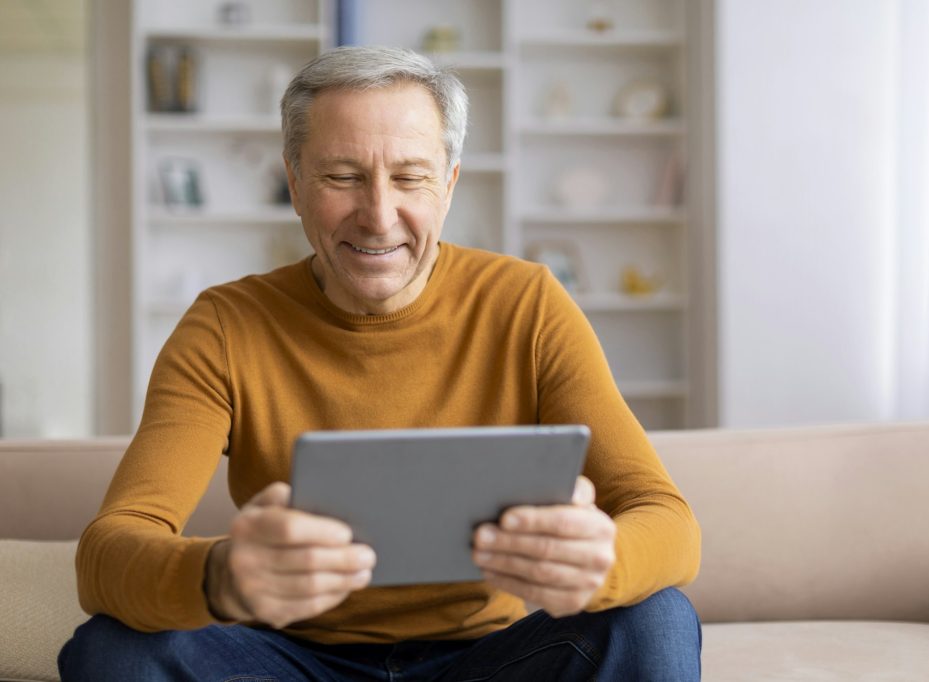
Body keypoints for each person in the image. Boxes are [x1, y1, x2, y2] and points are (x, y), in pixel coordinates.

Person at [59, 46, 702, 681]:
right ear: (296, 183)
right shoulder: (225, 325)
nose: (378, 214)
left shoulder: (527, 304)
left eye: (410, 176)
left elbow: (667, 519)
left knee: (656, 617)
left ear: (448, 184)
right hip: (286, 662)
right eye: (342, 176)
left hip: (486, 660)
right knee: (114, 650)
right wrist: (222, 576)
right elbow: (111, 548)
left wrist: (603, 561)